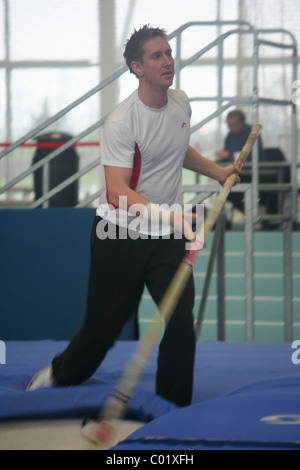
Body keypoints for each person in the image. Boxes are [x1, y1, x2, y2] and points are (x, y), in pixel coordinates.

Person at [27, 26, 240, 407]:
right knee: (102, 331)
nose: (168, 61)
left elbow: (177, 147)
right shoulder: (123, 121)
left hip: (166, 236)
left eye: (169, 53)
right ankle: (61, 373)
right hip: (120, 234)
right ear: (137, 67)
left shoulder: (181, 103)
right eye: (157, 56)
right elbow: (117, 192)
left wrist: (218, 172)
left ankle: (173, 406)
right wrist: (171, 218)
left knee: (178, 322)